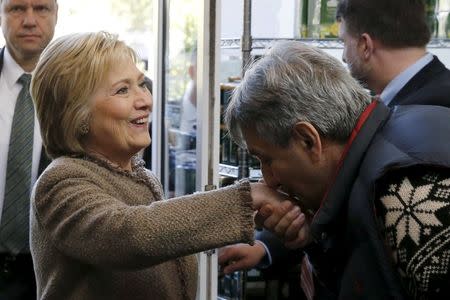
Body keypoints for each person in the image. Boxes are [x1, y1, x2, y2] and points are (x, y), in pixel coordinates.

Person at [29, 31, 304, 300]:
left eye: (141, 84)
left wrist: (251, 214)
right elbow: (131, 237)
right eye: (123, 90)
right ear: (77, 114)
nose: (145, 100)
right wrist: (245, 200)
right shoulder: (60, 183)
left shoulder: (141, 177)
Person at [219, 0, 450, 282]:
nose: (269, 180)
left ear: (308, 140)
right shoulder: (390, 150)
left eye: (266, 159)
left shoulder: (404, 193)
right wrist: (313, 237)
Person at [0, 0, 57, 298]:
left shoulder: (80, 90)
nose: (30, 20)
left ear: (57, 13)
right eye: (17, 8)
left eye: (41, 8)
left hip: (53, 272)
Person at [337, 0, 450, 108]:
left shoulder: (425, 112)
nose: (344, 58)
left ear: (365, 45)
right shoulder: (434, 95)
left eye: (344, 42)